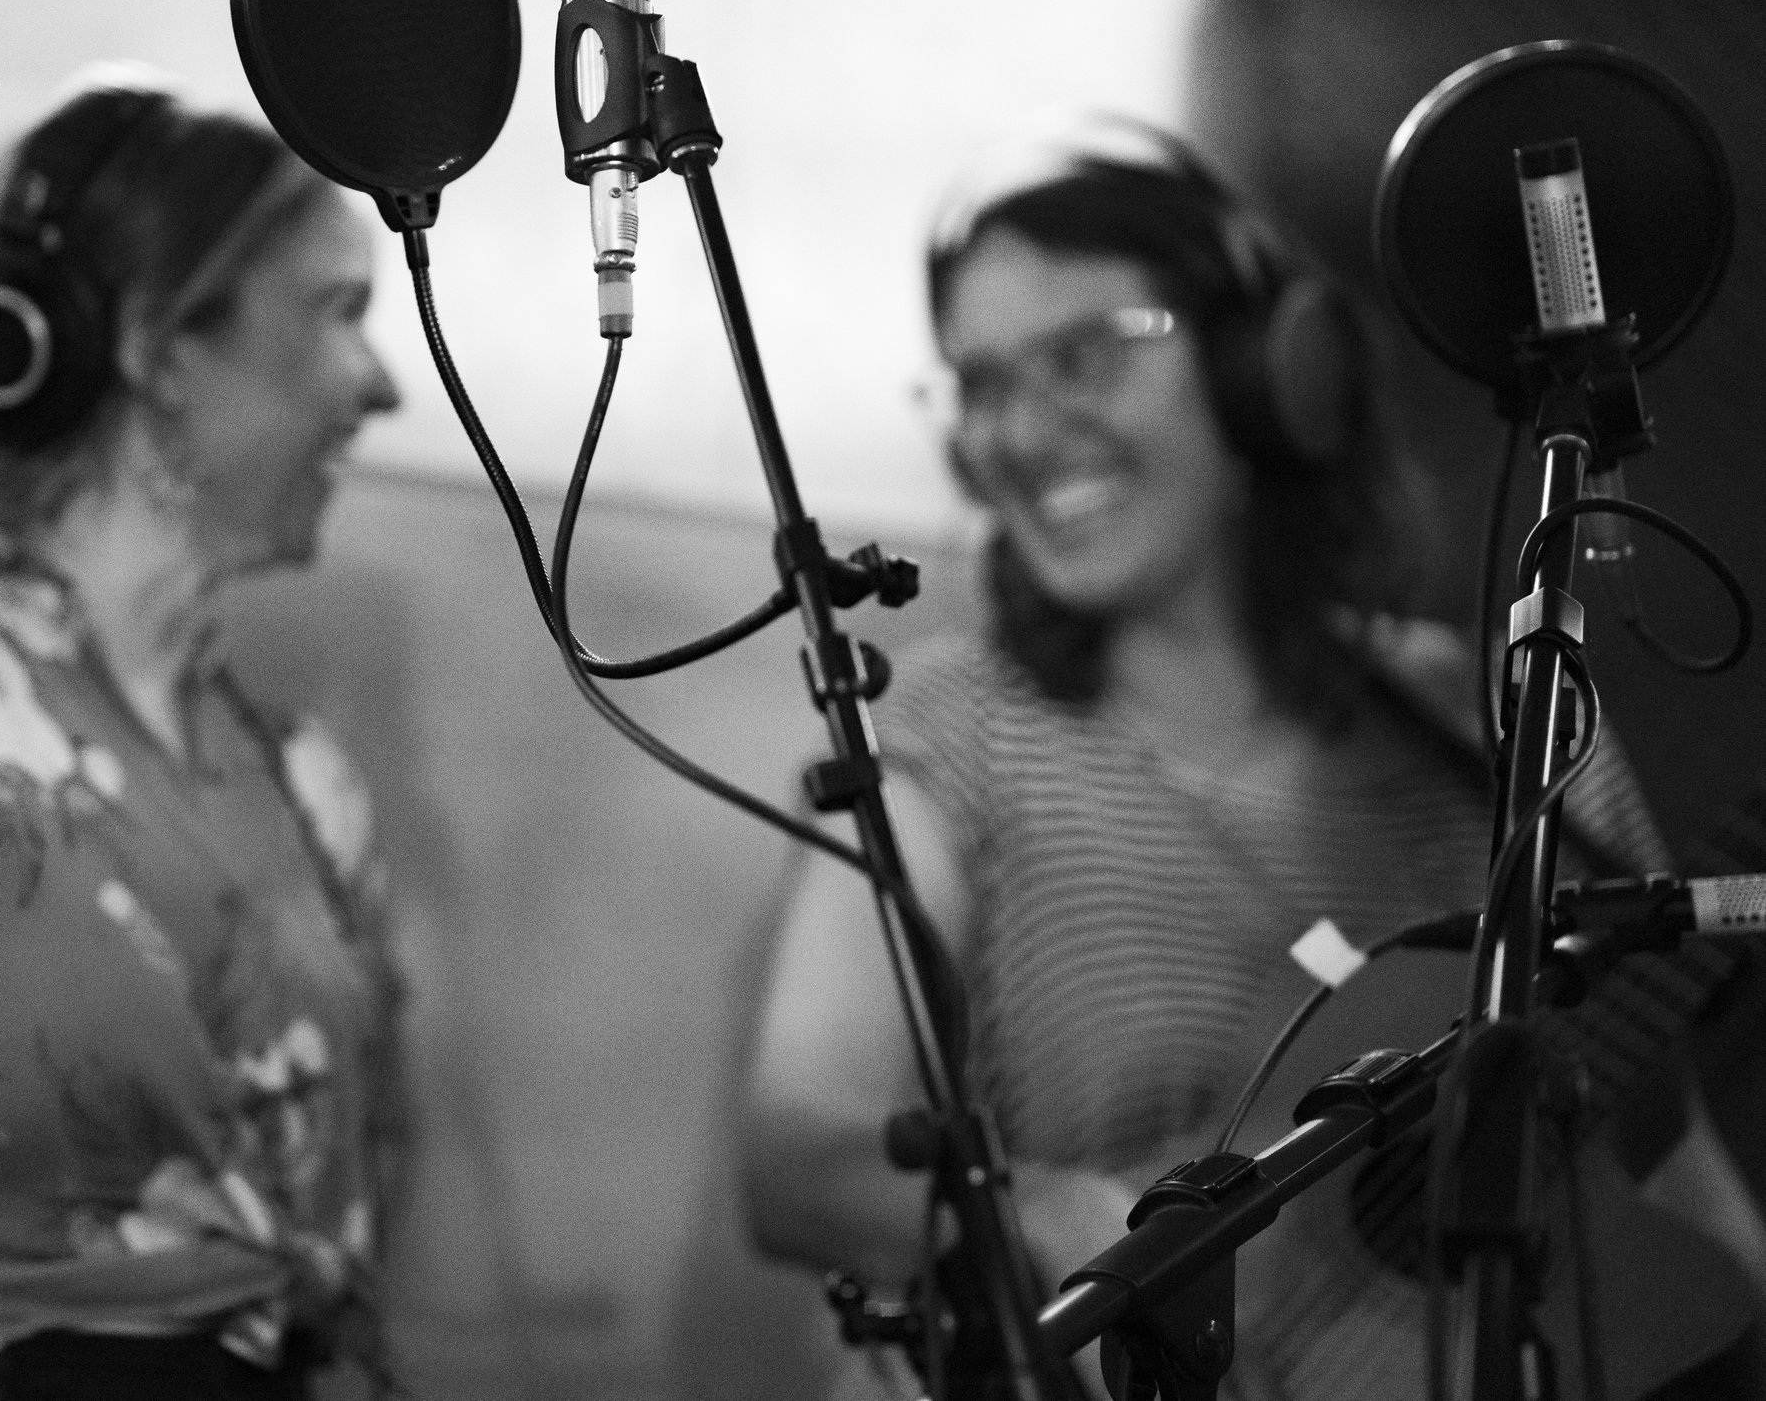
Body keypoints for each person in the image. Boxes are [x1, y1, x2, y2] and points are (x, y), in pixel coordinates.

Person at [738, 116, 1766, 1399]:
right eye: (983, 381)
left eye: (1082, 355)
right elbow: (796, 1153)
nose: (1017, 429)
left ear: (1257, 373)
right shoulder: (952, 742)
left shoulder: (1508, 724)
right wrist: (1069, 1223)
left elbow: (1665, 1162)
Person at [0, 67, 406, 1398]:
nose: (382, 384)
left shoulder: (306, 790)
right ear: (155, 344)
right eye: (339, 314)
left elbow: (343, 1286)